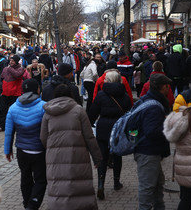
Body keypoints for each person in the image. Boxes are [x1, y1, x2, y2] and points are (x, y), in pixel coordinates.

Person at [40, 84, 102, 210]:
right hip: (77, 156)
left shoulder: (48, 112)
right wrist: (97, 158)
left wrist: (52, 148)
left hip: (55, 158)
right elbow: (89, 136)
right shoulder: (78, 110)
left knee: (58, 187)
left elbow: (43, 137)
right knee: (78, 186)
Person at [88, 71, 132, 200]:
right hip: (118, 129)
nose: (104, 81)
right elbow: (129, 113)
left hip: (103, 129)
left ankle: (101, 184)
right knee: (117, 156)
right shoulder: (124, 96)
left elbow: (93, 113)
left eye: (106, 79)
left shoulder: (101, 95)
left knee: (102, 157)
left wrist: (91, 123)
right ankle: (116, 182)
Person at [4, 79, 47, 210]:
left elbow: (9, 132)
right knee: (40, 180)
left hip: (22, 150)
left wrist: (7, 150)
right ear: (38, 89)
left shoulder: (13, 108)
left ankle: (26, 203)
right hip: (39, 150)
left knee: (25, 177)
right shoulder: (44, 106)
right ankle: (32, 205)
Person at [134, 73, 171, 210]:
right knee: (148, 187)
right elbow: (151, 131)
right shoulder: (154, 107)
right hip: (148, 151)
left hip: (148, 151)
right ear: (162, 87)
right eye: (167, 86)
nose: (169, 88)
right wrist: (168, 125)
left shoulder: (146, 100)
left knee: (157, 184)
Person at [0, 55, 29, 132]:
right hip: (5, 93)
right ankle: (2, 125)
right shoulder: (5, 69)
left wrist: (10, 68)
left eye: (13, 61)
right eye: (10, 60)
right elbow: (2, 77)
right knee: (3, 111)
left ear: (17, 62)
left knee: (15, 111)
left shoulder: (21, 69)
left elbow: (17, 75)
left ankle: (15, 125)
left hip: (15, 94)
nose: (11, 62)